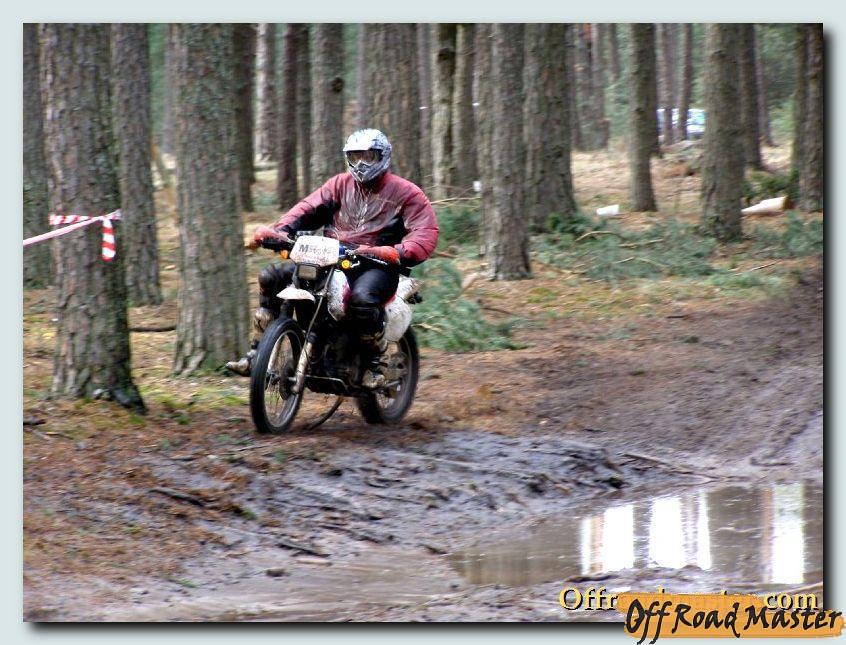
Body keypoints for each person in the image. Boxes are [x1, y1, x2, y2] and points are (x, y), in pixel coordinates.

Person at [226, 128, 439, 387]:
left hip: (377, 264)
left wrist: (397, 251)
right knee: (272, 277)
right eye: (355, 156)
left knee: (362, 300)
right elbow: (306, 209)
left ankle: (376, 361)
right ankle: (257, 353)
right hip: (330, 257)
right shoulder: (339, 185)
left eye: (368, 156)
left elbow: (424, 232)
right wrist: (279, 231)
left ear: (382, 156)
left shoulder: (406, 193)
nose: (361, 164)